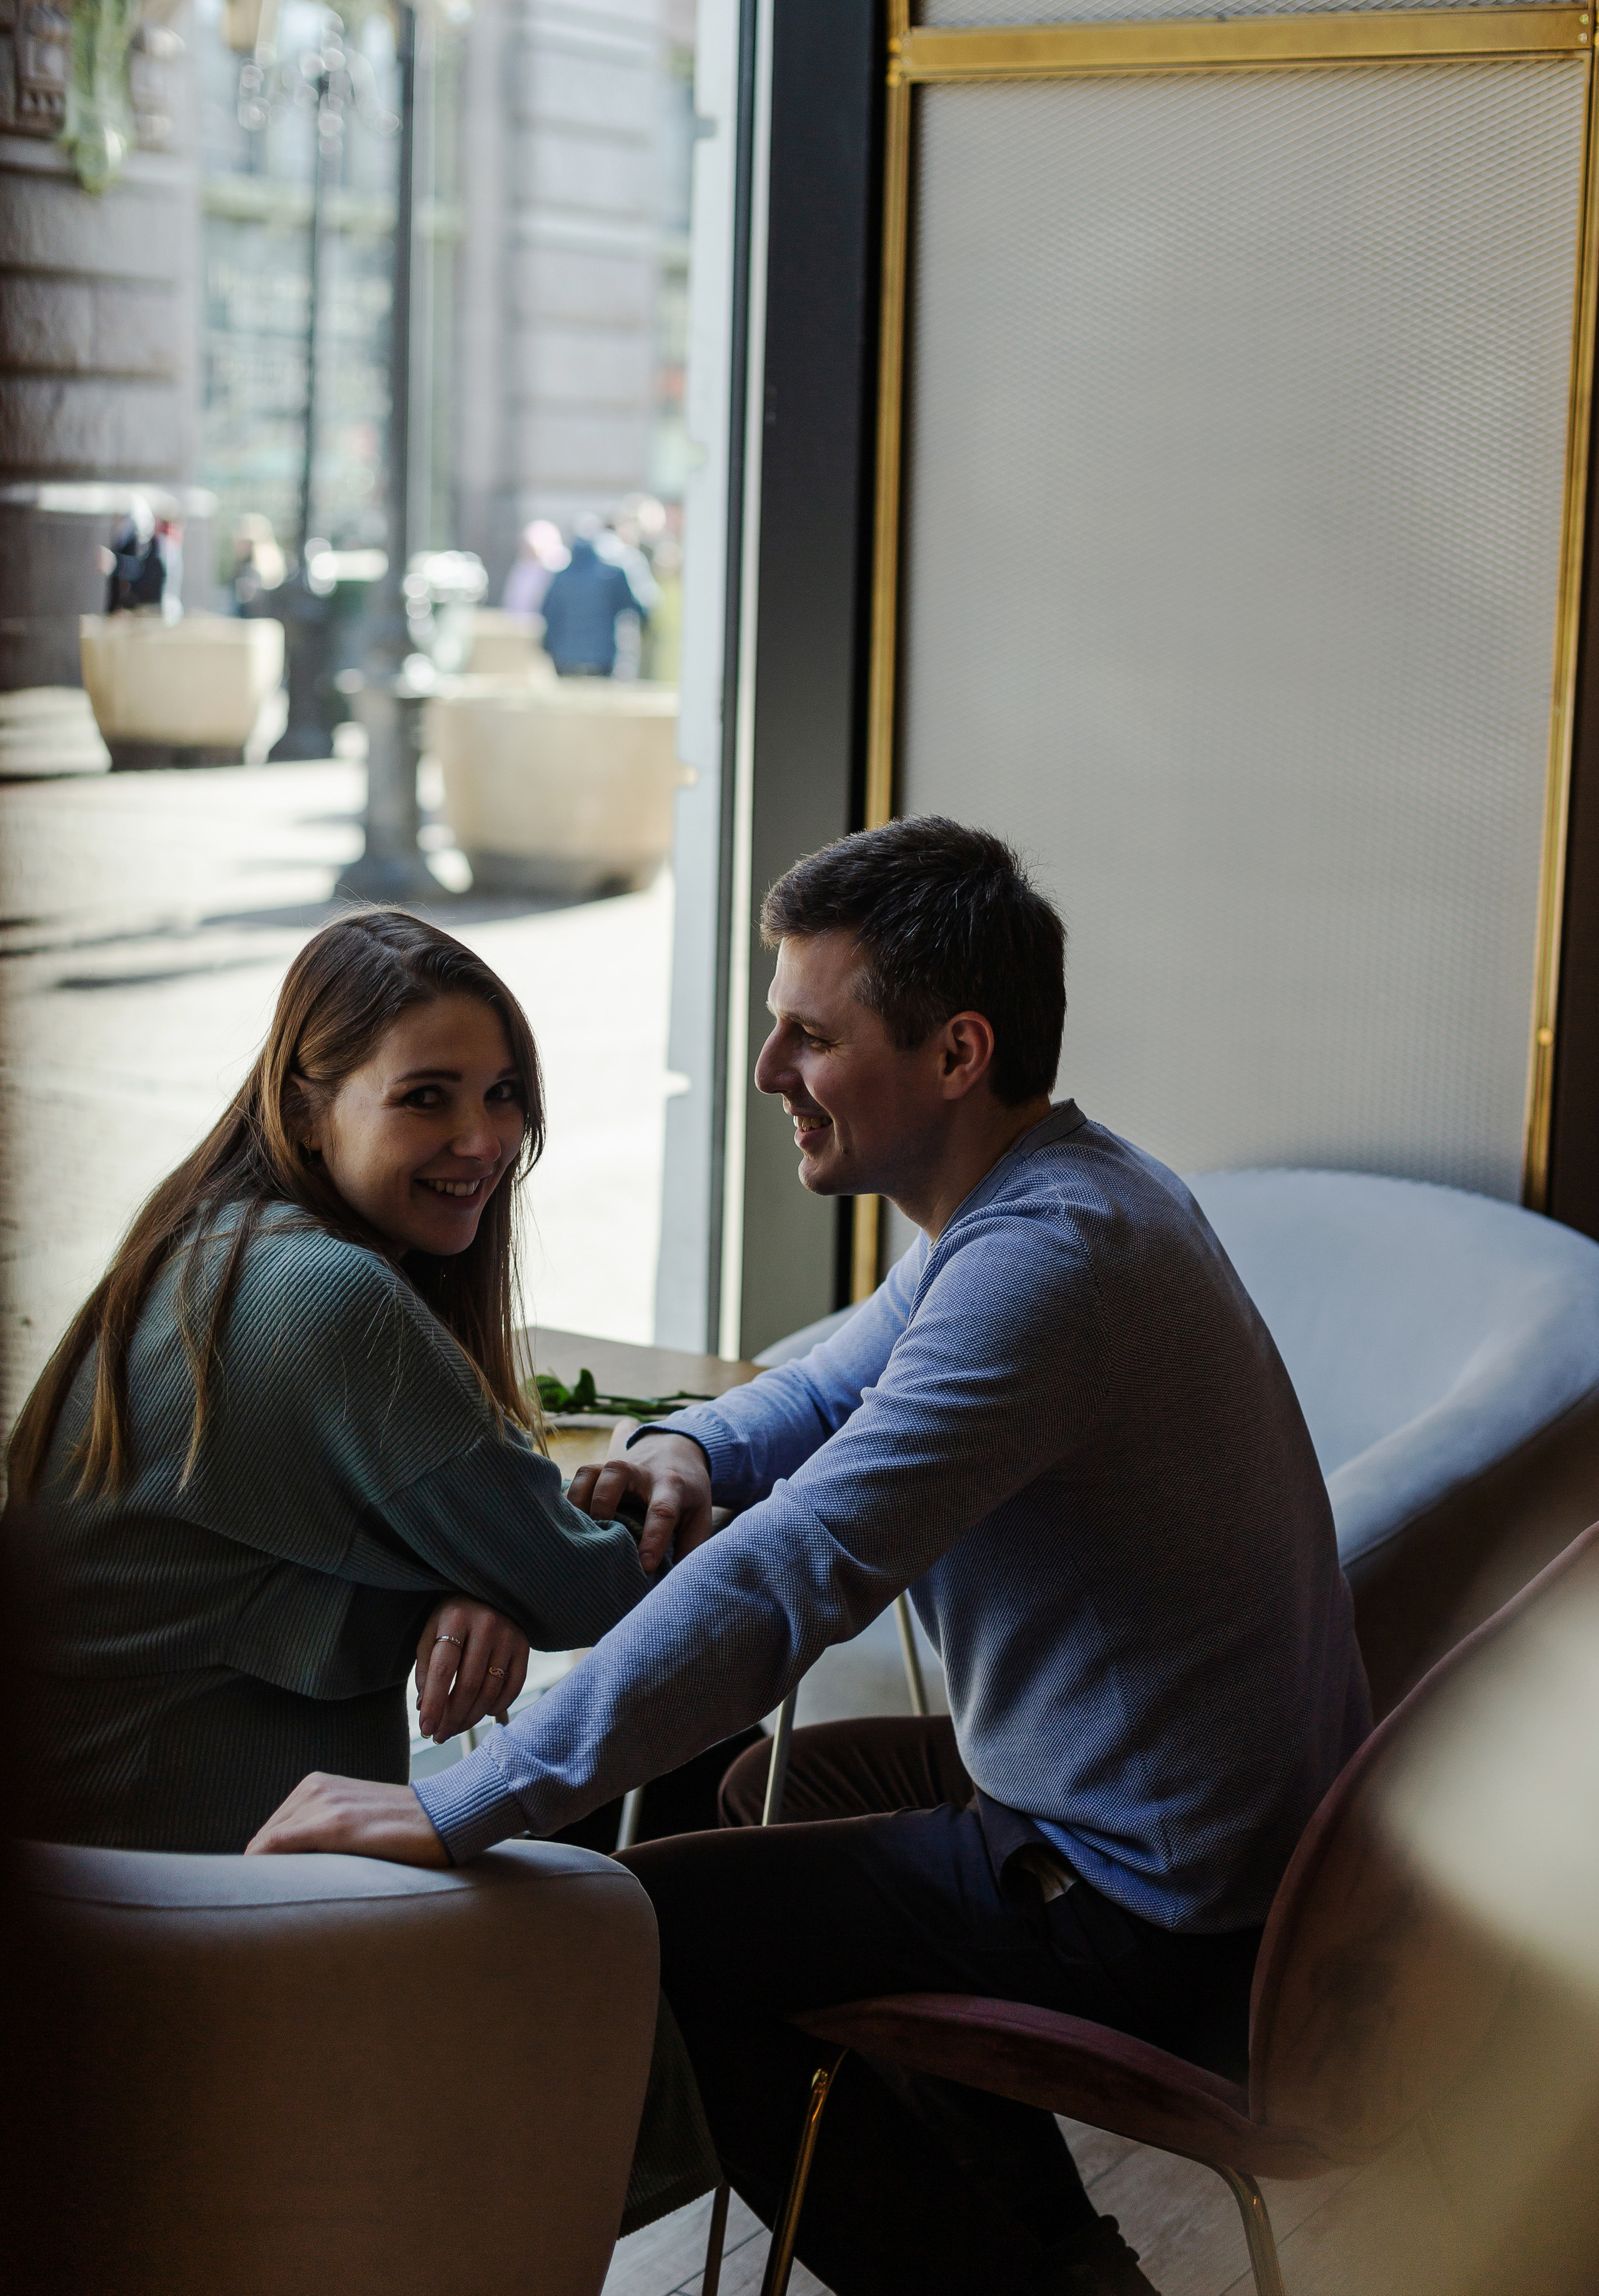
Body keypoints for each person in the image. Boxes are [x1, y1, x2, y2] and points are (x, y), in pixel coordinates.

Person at [249, 821, 1372, 2296]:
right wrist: (690, 1451)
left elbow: (792, 1572)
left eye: (806, 1034)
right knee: (752, 1794)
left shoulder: (1047, 1268)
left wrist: (466, 1803)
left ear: (955, 1049)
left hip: (1158, 1913)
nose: (767, 1067)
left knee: (666, 1929)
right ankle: (1057, 2247)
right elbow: (834, 1377)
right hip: (1222, 1830)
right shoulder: (1058, 1195)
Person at [4, 906, 720, 2237]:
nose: (483, 1139)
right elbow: (610, 1592)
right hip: (179, 1889)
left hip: (94, 1858)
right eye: (427, 1099)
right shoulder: (331, 1307)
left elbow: (458, 1525)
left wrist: (469, 1575)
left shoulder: (207, 1249)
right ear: (306, 1099)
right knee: (617, 1915)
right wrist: (561, 1542)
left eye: (503, 1095)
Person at [539, 518, 645, 677]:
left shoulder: (561, 579)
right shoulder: (611, 575)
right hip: (601, 657)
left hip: (566, 657)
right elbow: (635, 608)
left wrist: (549, 647)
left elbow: (547, 613)